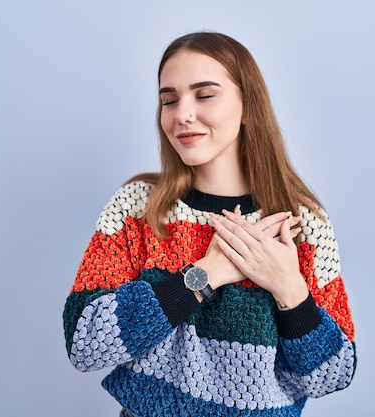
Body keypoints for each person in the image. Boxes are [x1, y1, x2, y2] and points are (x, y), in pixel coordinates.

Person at [63, 31, 356, 417]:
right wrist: (203, 275)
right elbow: (85, 341)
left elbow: (331, 375)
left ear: (248, 106)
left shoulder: (303, 224)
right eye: (169, 100)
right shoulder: (138, 208)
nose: (182, 113)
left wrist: (289, 289)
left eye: (204, 95)